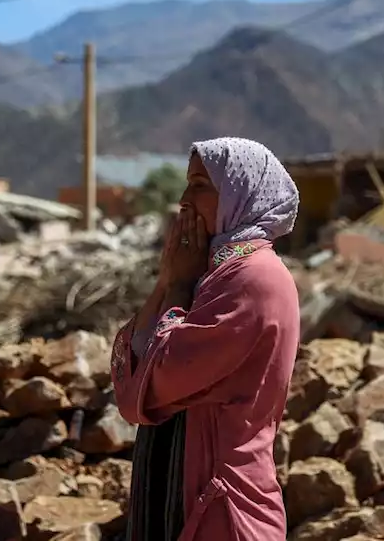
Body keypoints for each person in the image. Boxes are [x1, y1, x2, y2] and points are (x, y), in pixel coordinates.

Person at [111, 137, 301, 541]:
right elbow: (131, 380)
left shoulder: (252, 279)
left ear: (239, 192)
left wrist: (177, 287)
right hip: (174, 499)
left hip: (220, 510)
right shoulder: (210, 275)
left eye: (200, 185)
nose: (183, 199)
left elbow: (157, 380)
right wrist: (167, 280)